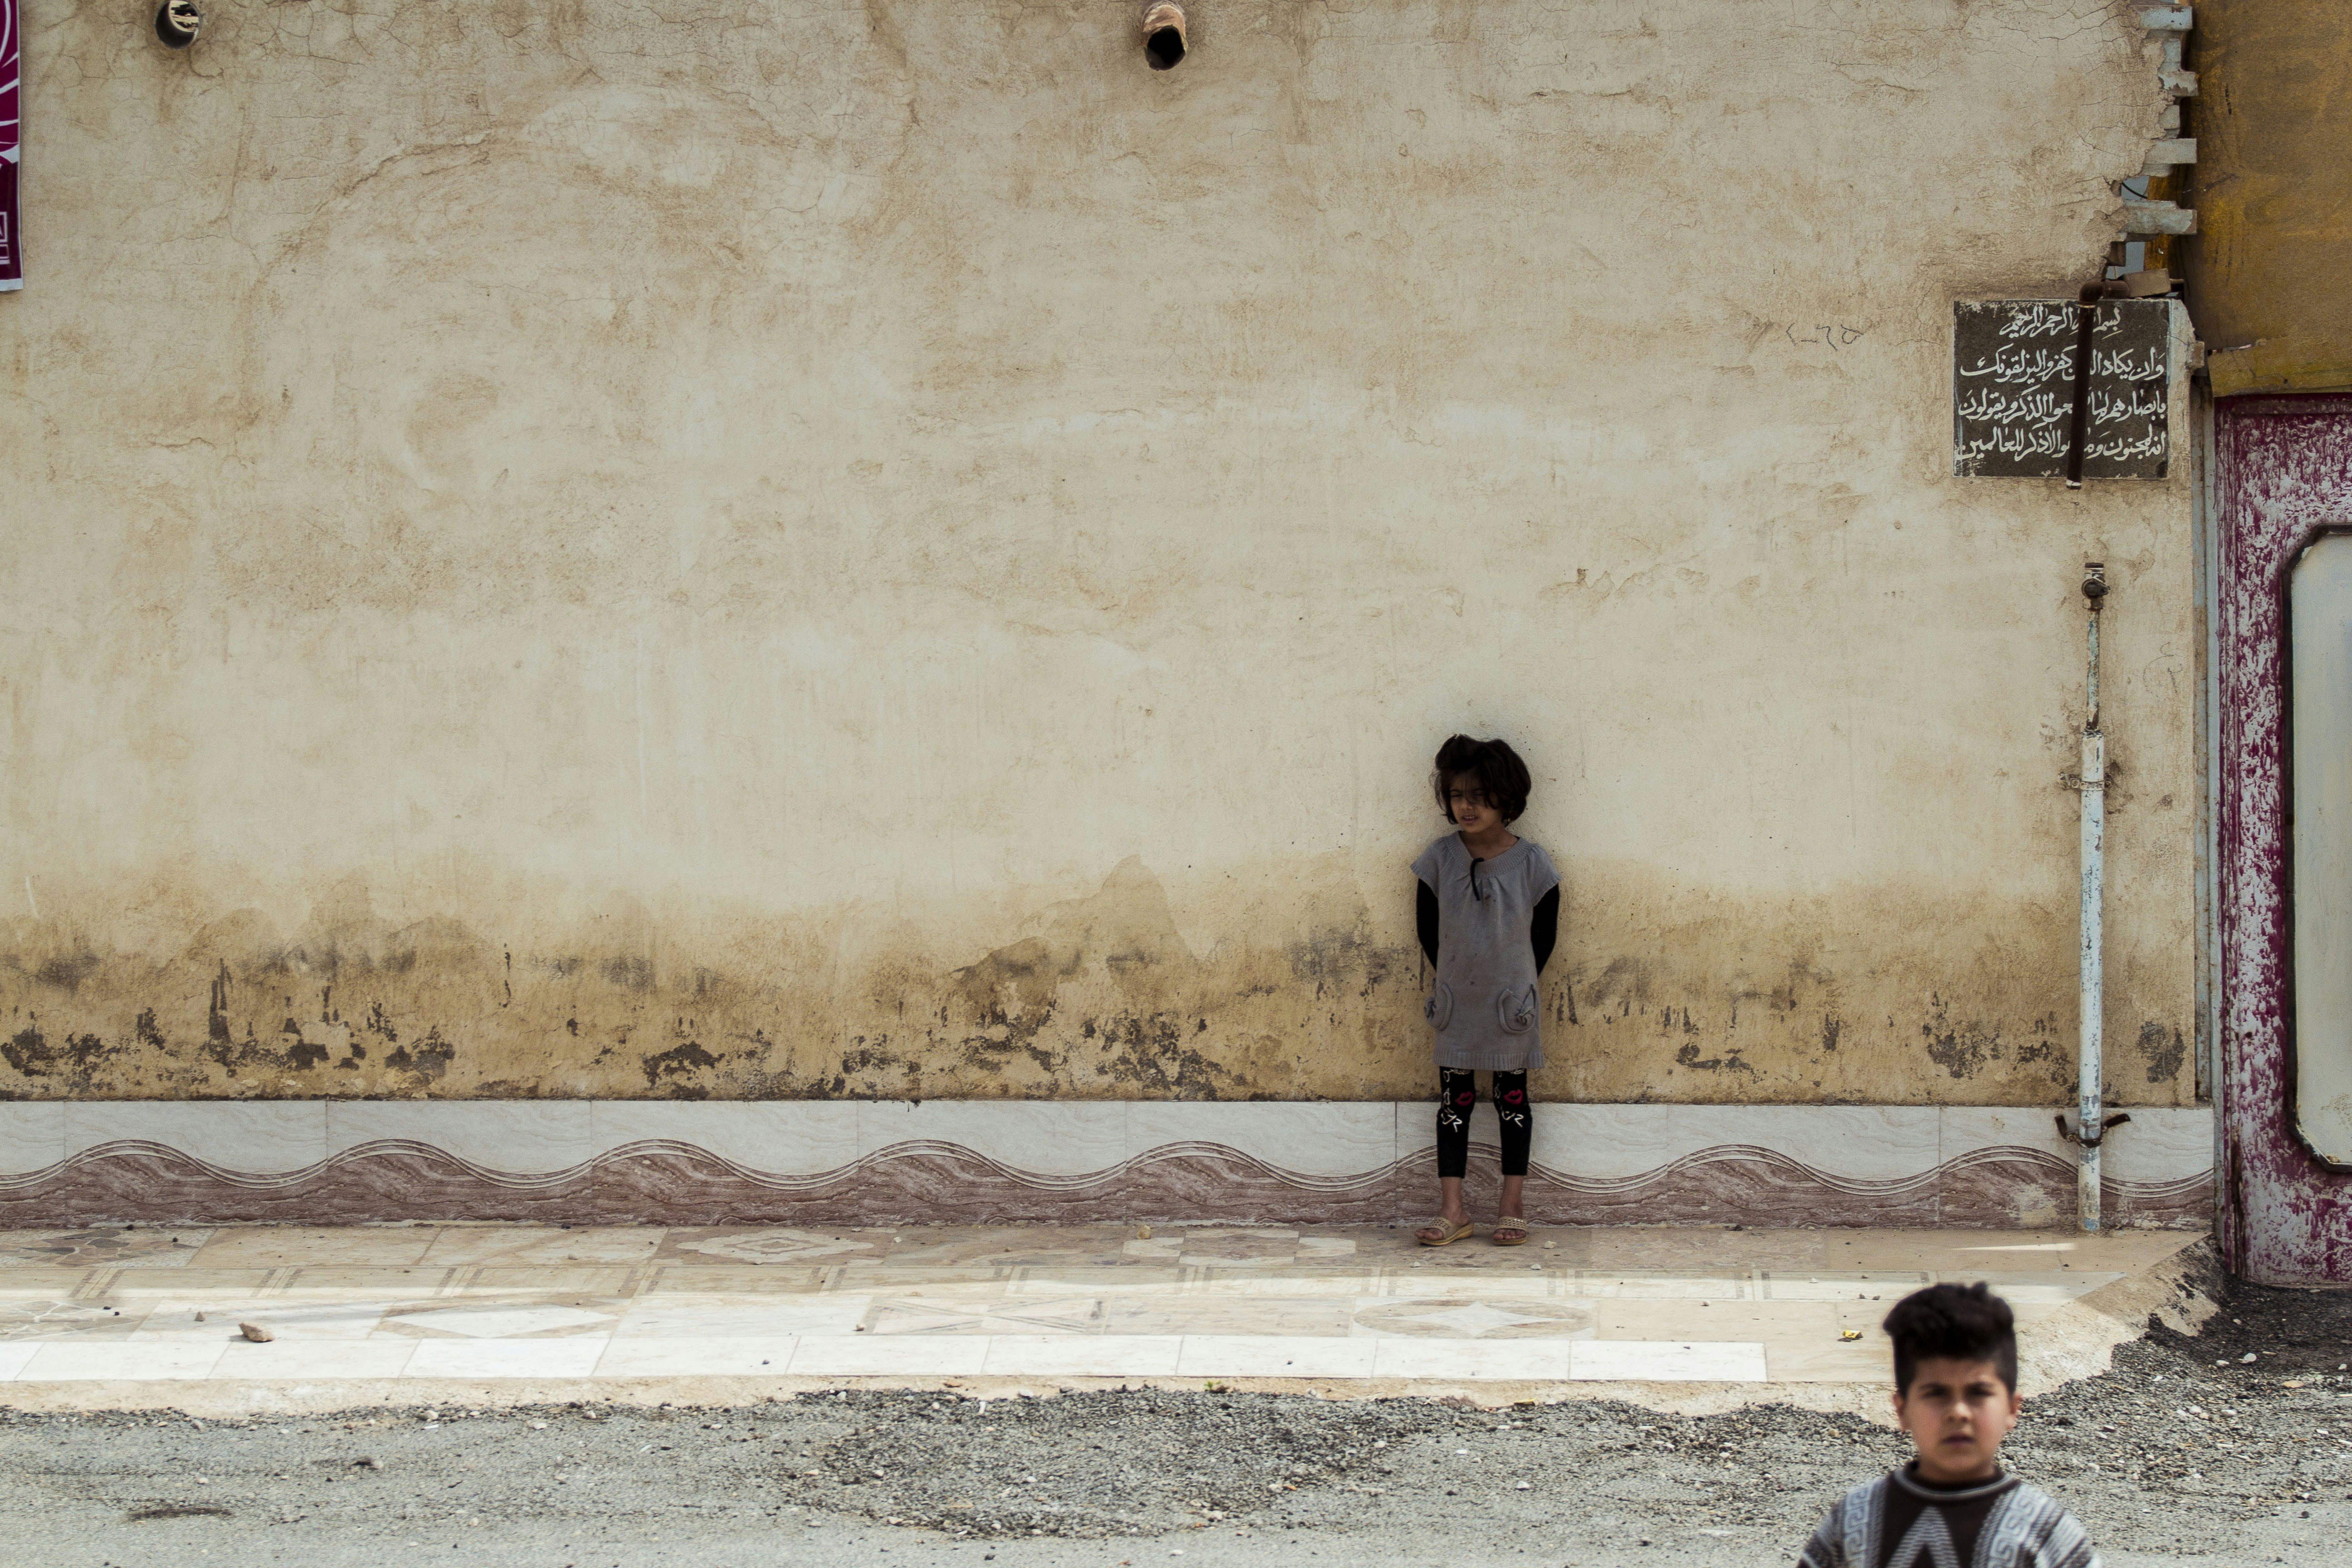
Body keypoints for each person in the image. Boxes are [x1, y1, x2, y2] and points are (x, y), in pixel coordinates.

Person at [1798, 1283, 2099, 1568]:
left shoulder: (2046, 1533)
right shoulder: (1854, 1520)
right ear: (1902, 1410)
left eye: (1978, 1393)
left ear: (2011, 1408)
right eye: (1936, 1393)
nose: (1958, 1413)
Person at [1411, 735, 1560, 1247]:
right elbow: (1427, 932)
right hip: (1456, 1003)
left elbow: (1544, 936)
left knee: (1512, 1100)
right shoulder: (1439, 860)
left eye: (1479, 795)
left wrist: (1515, 985)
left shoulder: (1532, 865)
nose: (1466, 806)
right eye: (1456, 795)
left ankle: (1511, 1203)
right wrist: (1456, 980)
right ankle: (1453, 1209)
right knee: (1455, 1101)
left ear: (1507, 798)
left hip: (1510, 1007)